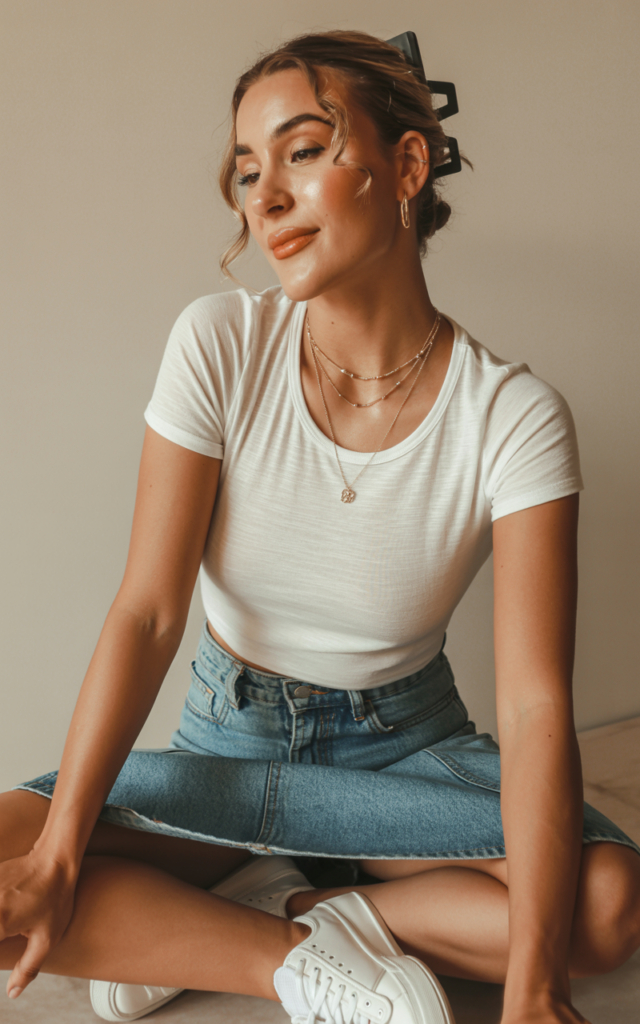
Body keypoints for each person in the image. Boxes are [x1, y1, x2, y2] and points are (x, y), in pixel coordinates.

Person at [1, 28, 639, 1024]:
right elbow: (147, 611)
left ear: (406, 165)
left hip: (404, 752)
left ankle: (273, 907)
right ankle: (283, 954)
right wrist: (58, 852)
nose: (262, 196)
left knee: (601, 911)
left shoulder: (511, 416)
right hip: (229, 736)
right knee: (10, 865)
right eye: (247, 169)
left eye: (301, 151)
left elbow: (532, 710)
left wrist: (534, 990)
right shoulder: (220, 341)